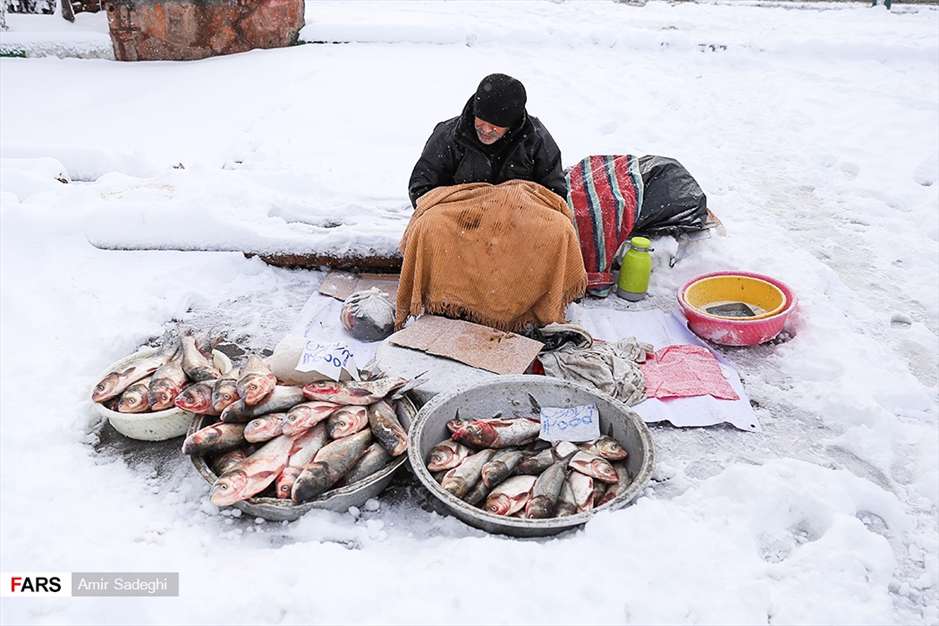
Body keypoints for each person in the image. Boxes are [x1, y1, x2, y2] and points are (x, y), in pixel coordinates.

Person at [408, 73, 567, 208]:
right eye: (481, 120)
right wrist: (461, 207)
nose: (485, 129)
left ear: (512, 124)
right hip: (459, 221)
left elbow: (555, 194)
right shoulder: (448, 136)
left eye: (495, 126)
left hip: (517, 223)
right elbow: (421, 189)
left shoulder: (536, 139)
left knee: (559, 227)